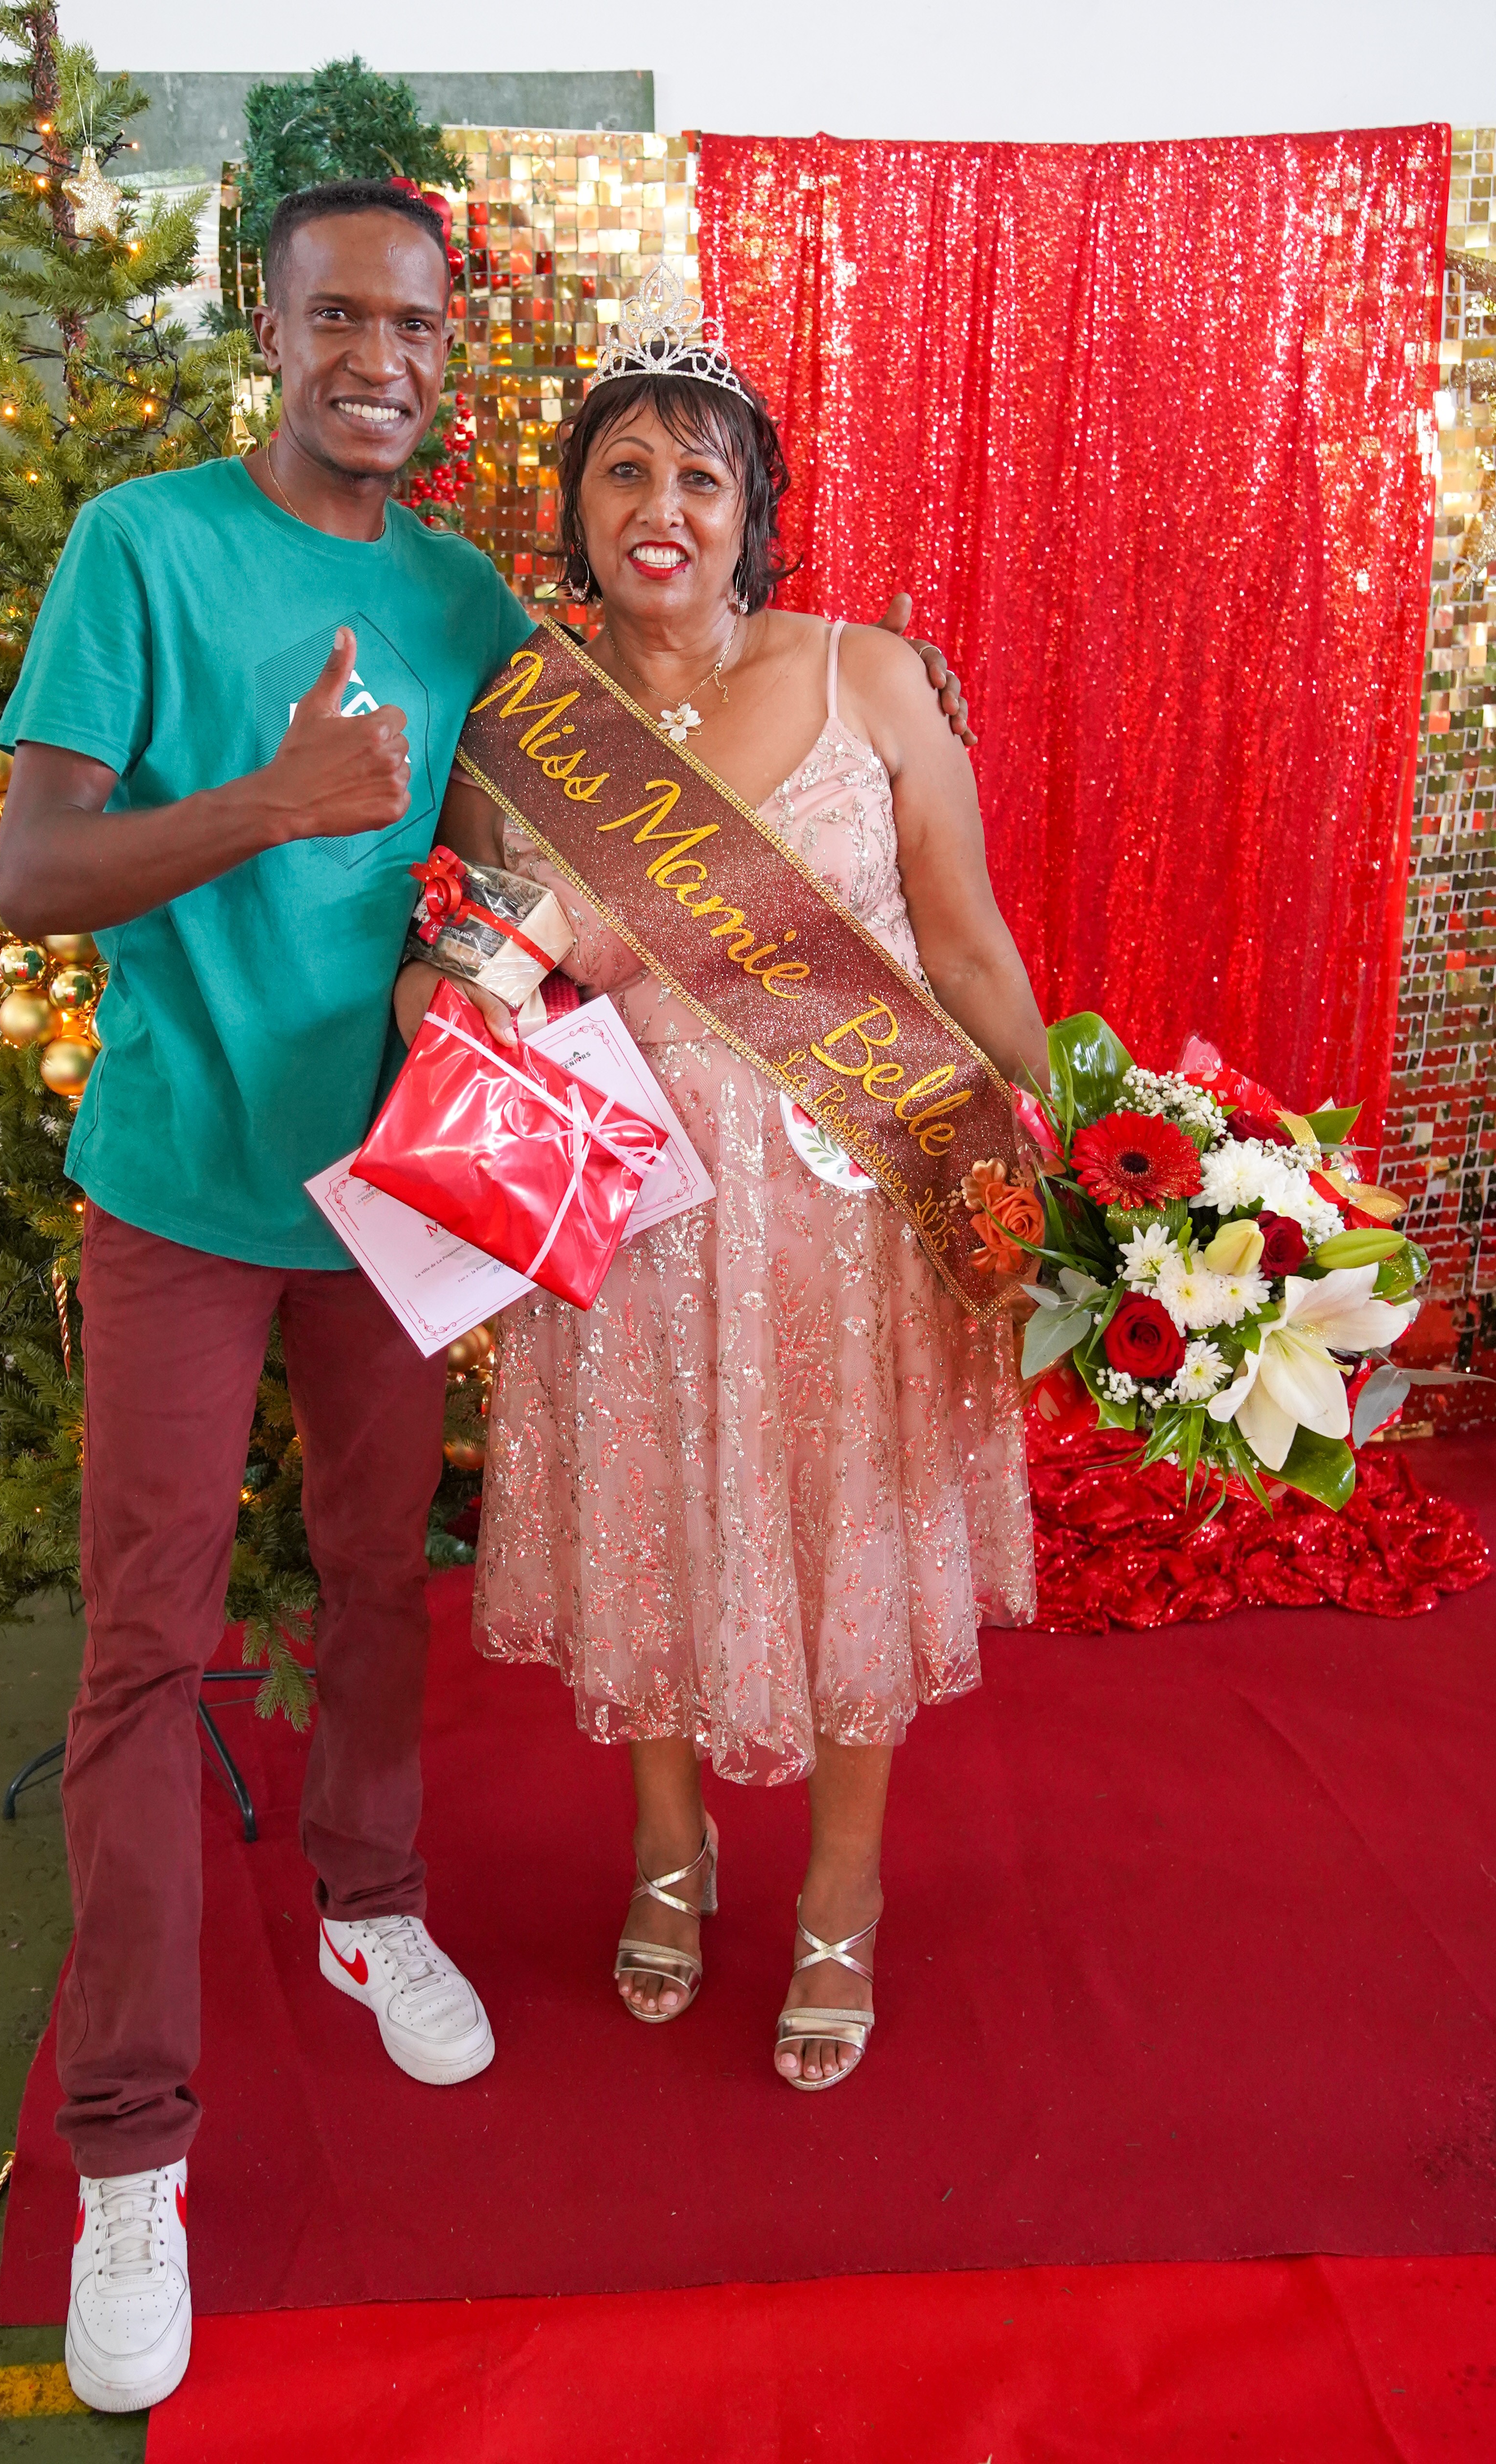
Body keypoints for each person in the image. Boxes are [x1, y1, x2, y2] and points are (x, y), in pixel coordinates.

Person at [0, 187, 972, 2409]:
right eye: (336, 314)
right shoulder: (143, 546)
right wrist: (273, 801)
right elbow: (34, 871)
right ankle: (133, 2147)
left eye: (414, 325)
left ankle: (370, 1909)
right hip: (183, 1183)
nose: (378, 355)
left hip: (401, 1202)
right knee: (147, 1646)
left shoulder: (469, 611)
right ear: (271, 326)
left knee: (375, 1588)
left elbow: (559, 890)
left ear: (450, 355)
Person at [400, 270, 1046, 2098]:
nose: (660, 509)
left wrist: (1066, 1144)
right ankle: (668, 1851)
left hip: (857, 1207)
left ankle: (842, 1889)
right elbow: (470, 959)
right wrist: (443, 996)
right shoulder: (519, 724)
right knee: (656, 1526)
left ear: (753, 508)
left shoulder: (872, 677)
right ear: (577, 509)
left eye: (699, 475)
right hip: (637, 1212)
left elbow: (965, 944)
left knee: (847, 1533)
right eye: (624, 472)